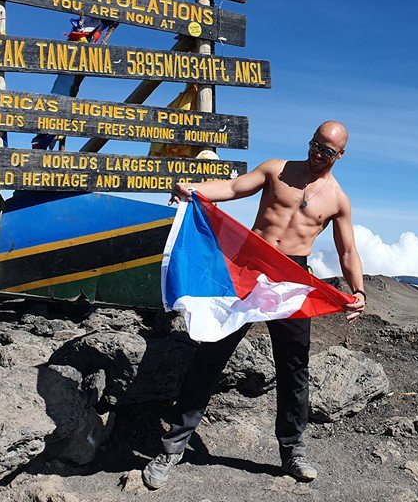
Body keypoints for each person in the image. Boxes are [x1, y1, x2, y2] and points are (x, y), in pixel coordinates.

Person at [142, 120, 366, 489]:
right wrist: (194, 190)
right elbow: (232, 187)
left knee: (295, 366)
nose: (317, 153)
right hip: (249, 268)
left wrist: (358, 291)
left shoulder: (338, 200)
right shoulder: (276, 169)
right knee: (212, 353)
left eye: (326, 150)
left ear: (340, 155)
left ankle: (293, 449)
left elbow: (347, 250)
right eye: (314, 144)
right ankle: (173, 447)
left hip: (292, 278)